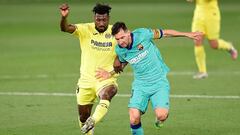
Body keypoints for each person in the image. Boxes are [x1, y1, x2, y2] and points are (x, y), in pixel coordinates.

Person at [95, 22, 203, 135]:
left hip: (159, 82)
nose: (121, 41)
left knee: (162, 115)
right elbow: (123, 64)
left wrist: (187, 34)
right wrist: (110, 73)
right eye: (117, 39)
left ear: (128, 32)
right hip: (140, 85)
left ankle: (159, 120)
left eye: (122, 37)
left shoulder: (143, 34)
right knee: (134, 117)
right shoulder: (120, 50)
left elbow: (165, 33)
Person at [59, 3, 118, 135]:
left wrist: (115, 69)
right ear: (94, 18)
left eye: (104, 20)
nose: (101, 22)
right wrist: (64, 18)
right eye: (98, 19)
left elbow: (129, 44)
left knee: (107, 94)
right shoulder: (85, 29)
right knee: (83, 117)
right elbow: (65, 28)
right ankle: (89, 126)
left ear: (108, 18)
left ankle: (94, 120)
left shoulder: (115, 32)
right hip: (86, 81)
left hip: (106, 79)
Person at [187, 0, 238, 79]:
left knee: (214, 44)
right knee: (197, 39)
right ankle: (202, 71)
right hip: (198, 15)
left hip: (212, 15)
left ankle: (229, 47)